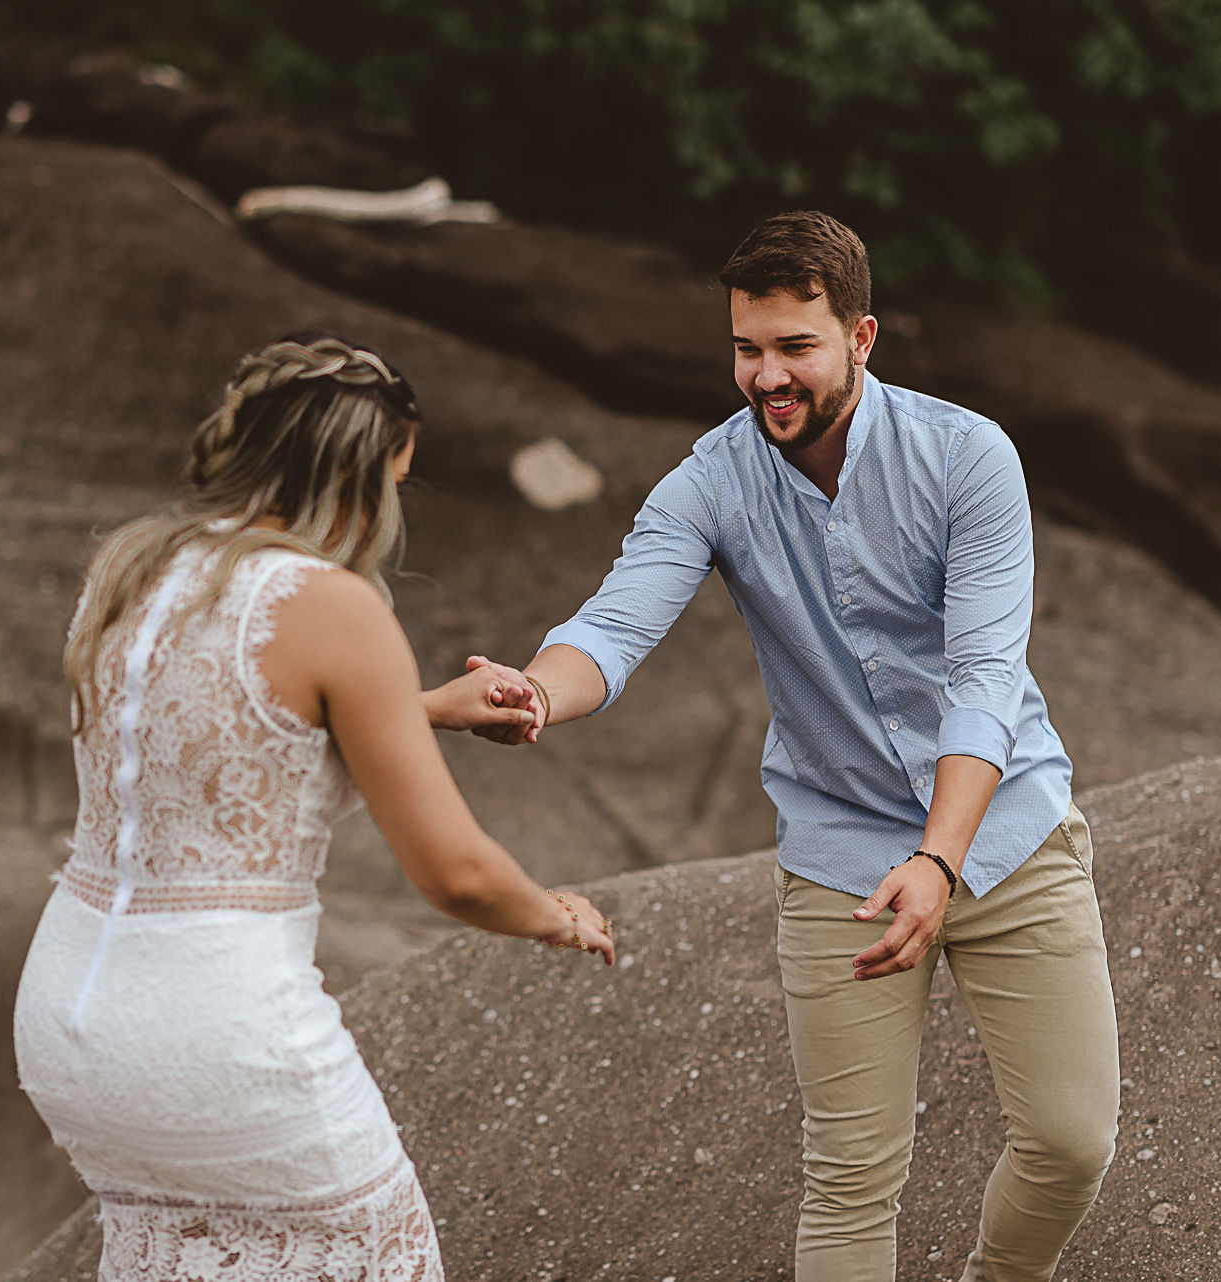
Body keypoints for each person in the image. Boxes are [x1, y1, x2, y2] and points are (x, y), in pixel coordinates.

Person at [473, 211, 1119, 1281]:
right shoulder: (710, 481)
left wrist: (940, 861)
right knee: (853, 1174)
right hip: (843, 857)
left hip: (1006, 833)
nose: (767, 375)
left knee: (1070, 1141)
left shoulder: (967, 458)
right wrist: (537, 691)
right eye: (747, 348)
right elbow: (614, 626)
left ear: (862, 338)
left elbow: (985, 680)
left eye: (795, 348)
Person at [12, 333, 613, 1281]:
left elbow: (234, 753)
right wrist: (556, 917)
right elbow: (456, 875)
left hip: (71, 1026)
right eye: (396, 483)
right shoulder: (332, 605)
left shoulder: (127, 574)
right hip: (222, 1032)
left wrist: (419, 714)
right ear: (358, 477)